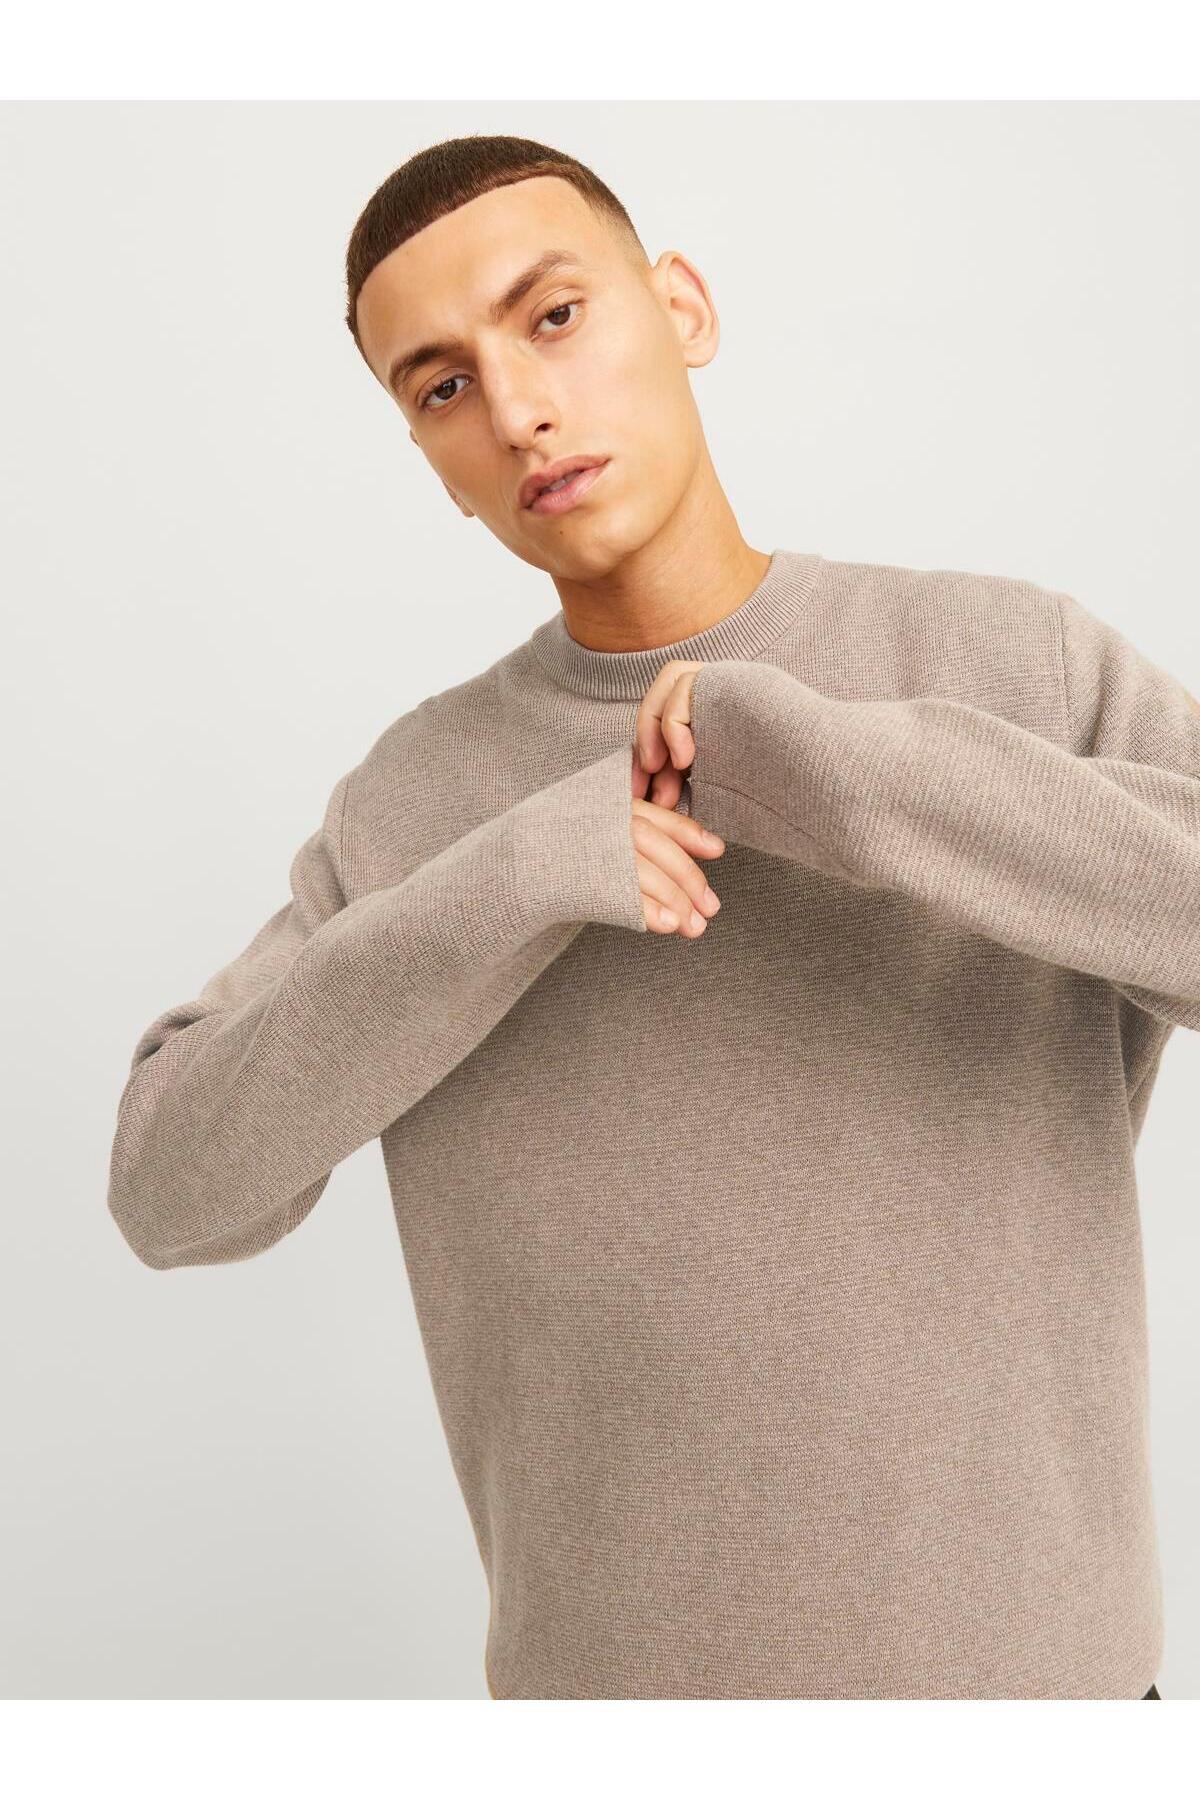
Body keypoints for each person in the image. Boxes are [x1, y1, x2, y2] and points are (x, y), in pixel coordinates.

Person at [106, 133, 1187, 1701]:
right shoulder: (415, 805)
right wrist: (517, 875)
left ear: (681, 307)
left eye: (552, 318)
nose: (517, 410)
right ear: (429, 457)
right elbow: (169, 1191)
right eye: (441, 387)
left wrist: (835, 772)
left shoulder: (1013, 660)